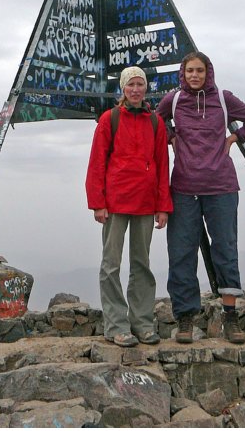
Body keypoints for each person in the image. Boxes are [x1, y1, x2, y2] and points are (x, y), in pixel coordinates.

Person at [157, 51, 245, 344]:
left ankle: (230, 318)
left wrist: (235, 138)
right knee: (181, 253)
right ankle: (185, 319)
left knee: (226, 250)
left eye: (200, 71)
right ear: (183, 73)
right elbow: (155, 121)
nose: (194, 75)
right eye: (190, 70)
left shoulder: (224, 99)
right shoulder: (174, 100)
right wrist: (170, 136)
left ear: (209, 72)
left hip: (222, 187)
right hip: (183, 188)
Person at [85, 66, 173, 347]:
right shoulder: (109, 119)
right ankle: (116, 326)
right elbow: (97, 163)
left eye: (140, 84)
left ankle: (143, 324)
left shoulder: (156, 123)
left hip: (146, 203)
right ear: (123, 89)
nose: (136, 89)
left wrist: (163, 206)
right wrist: (98, 203)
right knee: (111, 265)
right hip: (115, 202)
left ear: (146, 88)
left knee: (141, 265)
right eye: (131, 84)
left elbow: (162, 165)